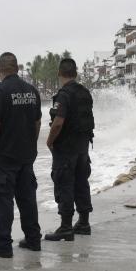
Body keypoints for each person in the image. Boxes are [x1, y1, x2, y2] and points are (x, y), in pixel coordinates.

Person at [0, 52, 42, 258]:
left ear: (0, 70)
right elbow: (37, 123)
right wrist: (30, 145)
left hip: (5, 156)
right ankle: (33, 239)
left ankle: (3, 244)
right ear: (17, 68)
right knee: (27, 198)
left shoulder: (0, 91)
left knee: (2, 198)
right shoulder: (32, 90)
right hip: (26, 154)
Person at [45, 58, 95, 242]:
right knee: (82, 183)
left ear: (60, 74)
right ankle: (83, 223)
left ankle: (66, 227)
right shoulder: (85, 93)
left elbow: (58, 122)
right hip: (83, 147)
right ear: (75, 73)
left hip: (66, 148)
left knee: (64, 184)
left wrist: (49, 141)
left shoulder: (63, 94)